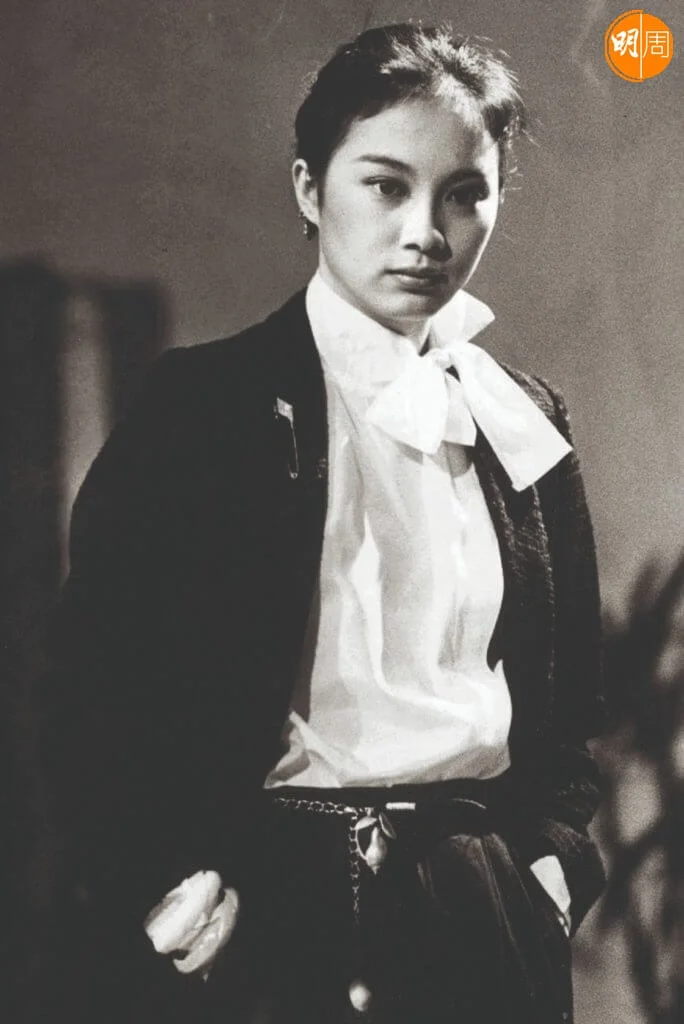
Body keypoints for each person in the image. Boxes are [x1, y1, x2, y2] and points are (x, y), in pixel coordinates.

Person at [40, 22, 606, 1024]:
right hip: (268, 911)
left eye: (464, 193)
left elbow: (570, 700)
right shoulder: (206, 406)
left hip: (482, 908)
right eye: (385, 185)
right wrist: (167, 889)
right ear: (311, 189)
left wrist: (553, 868)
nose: (426, 231)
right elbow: (90, 684)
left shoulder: (521, 416)